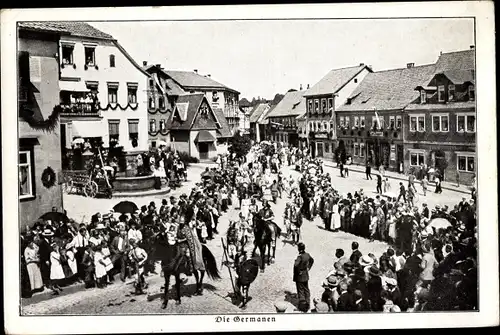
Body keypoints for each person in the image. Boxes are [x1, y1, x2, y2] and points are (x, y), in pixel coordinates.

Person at [293, 242, 314, 312]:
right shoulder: (307, 255)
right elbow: (312, 260)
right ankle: (308, 304)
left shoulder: (300, 257)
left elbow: (296, 265)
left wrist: (299, 271)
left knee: (300, 291)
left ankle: (302, 307)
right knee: (306, 290)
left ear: (299, 249)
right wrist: (308, 267)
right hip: (305, 274)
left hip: (299, 276)